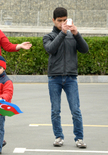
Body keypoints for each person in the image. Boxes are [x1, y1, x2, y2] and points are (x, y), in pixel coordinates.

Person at [43, 7, 89, 148]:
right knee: (55, 110)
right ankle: (58, 137)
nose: (62, 23)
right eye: (59, 21)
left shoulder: (72, 35)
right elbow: (50, 49)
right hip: (54, 78)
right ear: (53, 20)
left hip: (71, 78)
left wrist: (76, 33)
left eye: (64, 20)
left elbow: (85, 49)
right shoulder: (48, 36)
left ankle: (79, 138)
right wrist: (62, 33)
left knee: (75, 110)